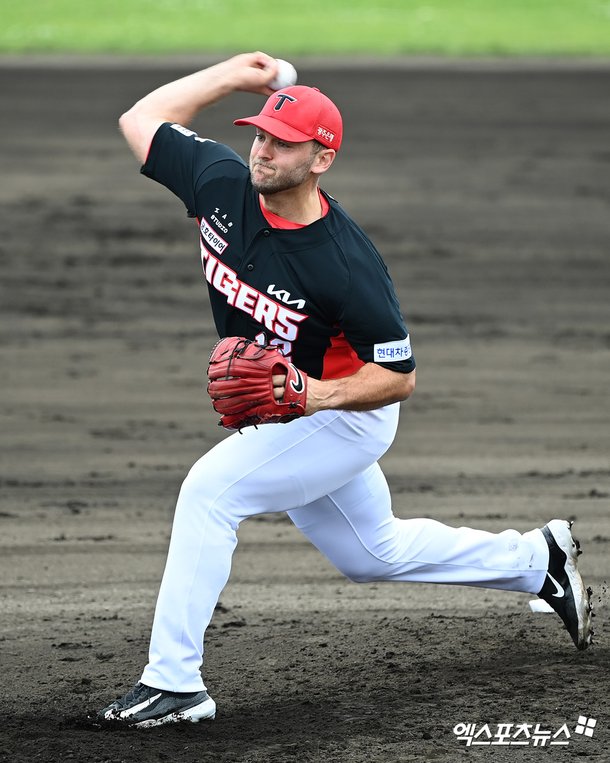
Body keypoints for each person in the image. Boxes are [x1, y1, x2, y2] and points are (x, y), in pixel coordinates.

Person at [99, 52, 592, 727]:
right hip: (289, 408)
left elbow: (399, 375)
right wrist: (234, 76)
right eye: (260, 134)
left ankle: (174, 682)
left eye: (283, 143)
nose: (263, 151)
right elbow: (142, 119)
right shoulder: (220, 182)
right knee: (371, 552)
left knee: (209, 493)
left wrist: (311, 396)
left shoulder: (346, 263)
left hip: (345, 411)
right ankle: (538, 559)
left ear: (321, 158)